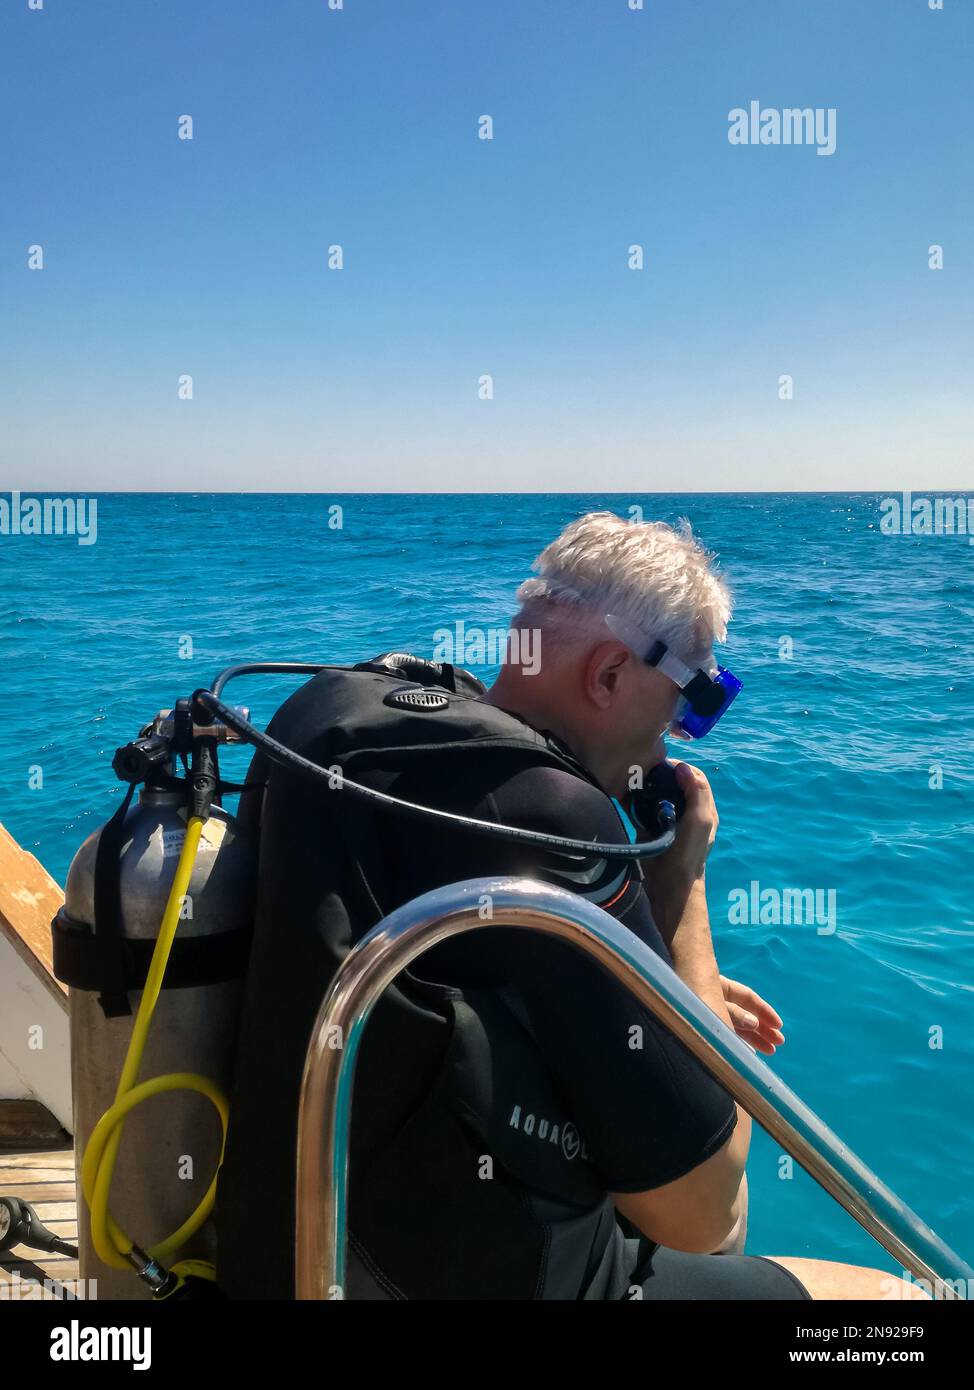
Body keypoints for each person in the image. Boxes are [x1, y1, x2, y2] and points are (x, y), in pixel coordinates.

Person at [219, 511, 925, 1301]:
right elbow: (707, 1213)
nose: (678, 741)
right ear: (610, 676)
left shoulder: (336, 719)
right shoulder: (557, 818)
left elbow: (454, 979)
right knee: (895, 1304)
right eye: (691, 700)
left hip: (285, 1260)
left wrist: (647, 985)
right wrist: (681, 886)